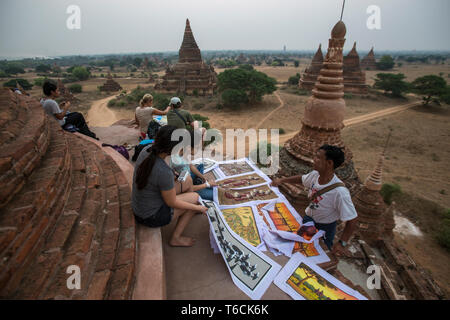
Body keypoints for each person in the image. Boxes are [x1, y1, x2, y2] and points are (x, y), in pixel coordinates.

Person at [271, 144, 358, 257]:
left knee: (316, 255)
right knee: (299, 250)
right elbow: (301, 179)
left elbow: (352, 220)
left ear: (329, 163)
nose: (314, 160)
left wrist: (342, 243)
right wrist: (282, 180)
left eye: (318, 157)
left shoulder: (340, 192)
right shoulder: (315, 175)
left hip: (324, 229)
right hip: (309, 220)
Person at [132, 125, 208, 247]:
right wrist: (197, 208)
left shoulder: (147, 149)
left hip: (141, 205)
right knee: (195, 198)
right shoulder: (163, 171)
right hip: (150, 216)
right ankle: (175, 238)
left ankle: (188, 208)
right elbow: (172, 202)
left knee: (187, 180)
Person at [169, 129, 217, 200]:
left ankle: (199, 182)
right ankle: (199, 185)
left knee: (200, 166)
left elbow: (190, 165)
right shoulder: (180, 163)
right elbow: (188, 187)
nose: (198, 150)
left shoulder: (181, 152)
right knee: (214, 195)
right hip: (185, 189)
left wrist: (202, 176)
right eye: (197, 147)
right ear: (189, 147)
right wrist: (207, 184)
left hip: (185, 179)